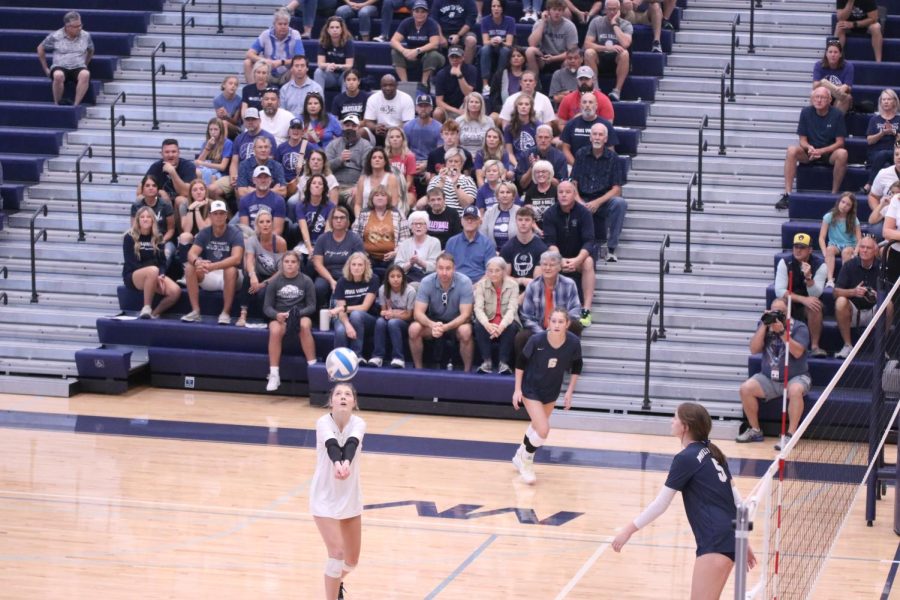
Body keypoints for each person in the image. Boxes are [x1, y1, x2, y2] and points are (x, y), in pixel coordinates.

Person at [613, 402, 757, 596]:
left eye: (675, 417)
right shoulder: (714, 452)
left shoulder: (686, 458)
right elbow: (738, 502)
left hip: (714, 540)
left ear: (686, 426)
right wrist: (741, 540)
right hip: (728, 538)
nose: (671, 421)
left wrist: (627, 531)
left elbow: (661, 504)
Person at [511, 307, 582, 484]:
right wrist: (517, 390)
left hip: (551, 390)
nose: (556, 325)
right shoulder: (537, 340)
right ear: (548, 322)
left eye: (560, 322)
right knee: (543, 429)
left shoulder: (573, 342)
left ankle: (520, 454)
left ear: (567, 324)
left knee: (536, 426)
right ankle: (526, 460)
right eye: (553, 321)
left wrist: (570, 391)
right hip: (531, 388)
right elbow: (520, 363)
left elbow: (577, 366)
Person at [309, 382, 365, 600]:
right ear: (331, 401)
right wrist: (337, 464)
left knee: (351, 561)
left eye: (348, 394)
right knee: (337, 554)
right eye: (338, 394)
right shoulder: (323, 422)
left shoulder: (359, 423)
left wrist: (347, 463)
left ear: (354, 402)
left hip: (349, 498)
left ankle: (334, 582)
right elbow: (332, 444)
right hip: (323, 498)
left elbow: (351, 443)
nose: (343, 397)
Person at [736, 298, 810, 448]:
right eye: (773, 311)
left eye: (780, 312)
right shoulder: (764, 325)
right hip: (768, 378)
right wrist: (764, 325)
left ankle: (790, 435)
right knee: (745, 388)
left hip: (795, 377)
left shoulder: (799, 327)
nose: (776, 315)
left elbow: (797, 352)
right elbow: (754, 349)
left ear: (788, 312)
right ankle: (755, 430)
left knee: (796, 391)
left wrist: (782, 332)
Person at [777, 87, 848, 210]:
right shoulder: (805, 112)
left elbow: (840, 143)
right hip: (809, 152)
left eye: (823, 97)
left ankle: (834, 194)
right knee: (791, 150)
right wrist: (809, 148)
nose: (819, 100)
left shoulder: (837, 114)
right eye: (816, 97)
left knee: (842, 153)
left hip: (828, 153)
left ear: (830, 100)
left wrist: (822, 151)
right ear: (812, 99)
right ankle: (788, 194)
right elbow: (802, 140)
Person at [571, 122, 627, 262]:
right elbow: (573, 183)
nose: (597, 137)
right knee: (565, 196)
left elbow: (617, 189)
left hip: (603, 201)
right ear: (590, 137)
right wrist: (580, 202)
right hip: (581, 199)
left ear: (606, 139)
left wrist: (597, 202)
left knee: (620, 203)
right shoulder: (581, 154)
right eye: (594, 134)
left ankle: (611, 249)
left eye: (600, 135)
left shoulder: (613, 158)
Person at [181, 201, 245, 325]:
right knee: (190, 267)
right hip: (211, 273)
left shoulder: (236, 233)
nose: (219, 216)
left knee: (230, 269)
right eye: (215, 214)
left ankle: (225, 312)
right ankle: (195, 311)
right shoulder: (205, 232)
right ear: (210, 216)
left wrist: (214, 266)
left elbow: (236, 258)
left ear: (226, 215)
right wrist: (197, 262)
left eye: (222, 213)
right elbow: (191, 253)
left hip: (233, 276)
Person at [543, 181, 597, 326]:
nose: (564, 195)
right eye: (561, 192)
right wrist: (560, 259)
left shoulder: (584, 213)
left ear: (574, 194)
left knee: (588, 262)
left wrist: (578, 260)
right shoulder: (549, 214)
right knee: (543, 264)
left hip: (579, 257)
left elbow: (589, 241)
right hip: (558, 257)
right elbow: (550, 242)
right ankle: (545, 310)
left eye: (568, 192)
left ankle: (586, 309)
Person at [409, 252, 475, 370]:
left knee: (465, 331)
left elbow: (466, 315)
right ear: (436, 268)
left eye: (448, 268)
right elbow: (417, 313)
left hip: (457, 322)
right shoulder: (426, 282)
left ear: (454, 268)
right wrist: (432, 325)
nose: (444, 272)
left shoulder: (465, 282)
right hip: (434, 321)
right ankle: (418, 370)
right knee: (414, 329)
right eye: (441, 268)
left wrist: (445, 327)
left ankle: (467, 372)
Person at [263, 250, 317, 391]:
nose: (290, 265)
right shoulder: (274, 282)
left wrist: (297, 313)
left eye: (293, 262)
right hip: (280, 316)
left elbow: (312, 306)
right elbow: (267, 307)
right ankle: (274, 374)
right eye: (287, 262)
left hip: (300, 315)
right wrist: (277, 315)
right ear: (282, 264)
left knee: (305, 325)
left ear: (298, 264)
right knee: (274, 330)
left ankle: (313, 368)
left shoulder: (306, 281)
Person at [516, 250, 583, 357]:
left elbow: (575, 310)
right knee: (521, 337)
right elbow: (526, 317)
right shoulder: (532, 286)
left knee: (575, 325)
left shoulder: (569, 284)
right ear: (540, 266)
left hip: (562, 327)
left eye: (552, 265)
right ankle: (525, 368)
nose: (547, 268)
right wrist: (542, 333)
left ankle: (569, 363)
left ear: (559, 267)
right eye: (544, 264)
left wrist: (558, 325)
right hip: (539, 328)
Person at [123, 206, 181, 319]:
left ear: (153, 220)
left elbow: (163, 262)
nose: (145, 219)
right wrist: (153, 272)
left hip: (153, 274)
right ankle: (146, 307)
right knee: (153, 270)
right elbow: (131, 263)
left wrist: (161, 274)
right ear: (138, 220)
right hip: (133, 276)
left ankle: (154, 314)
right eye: (142, 217)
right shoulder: (129, 237)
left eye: (148, 217)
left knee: (176, 291)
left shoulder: (158, 237)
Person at [775, 233, 827, 357]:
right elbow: (779, 291)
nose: (798, 250)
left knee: (815, 304)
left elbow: (817, 293)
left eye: (802, 247)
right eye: (796, 247)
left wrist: (809, 278)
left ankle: (814, 346)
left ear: (810, 250)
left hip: (808, 304)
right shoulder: (785, 262)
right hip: (791, 302)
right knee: (778, 303)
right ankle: (777, 342)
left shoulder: (820, 265)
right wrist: (803, 299)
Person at [833, 234, 884, 359]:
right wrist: (853, 292)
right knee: (840, 302)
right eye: (862, 247)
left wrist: (880, 296)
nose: (864, 250)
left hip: (875, 312)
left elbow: (892, 293)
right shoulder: (849, 265)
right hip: (853, 312)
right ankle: (847, 345)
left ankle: (881, 347)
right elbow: (836, 292)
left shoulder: (883, 267)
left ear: (875, 251)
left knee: (888, 304)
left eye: (868, 248)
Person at [239, 207, 287, 327]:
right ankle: (243, 314)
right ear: (257, 225)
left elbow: (283, 270)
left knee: (262, 293)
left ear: (272, 223)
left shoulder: (280, 242)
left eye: (268, 221)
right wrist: (252, 276)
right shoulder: (252, 240)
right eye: (261, 222)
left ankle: (268, 318)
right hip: (260, 274)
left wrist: (264, 284)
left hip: (276, 277)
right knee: (247, 277)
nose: (265, 225)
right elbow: (249, 261)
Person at [217, 108, 277, 200]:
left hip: (260, 176)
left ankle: (244, 211)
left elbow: (270, 163)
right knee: (213, 189)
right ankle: (230, 213)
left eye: (253, 119)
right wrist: (234, 176)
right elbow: (234, 162)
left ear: (260, 120)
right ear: (244, 122)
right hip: (240, 175)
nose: (250, 122)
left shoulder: (268, 138)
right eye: (247, 119)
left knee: (240, 188)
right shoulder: (239, 139)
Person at [351, 184, 411, 277]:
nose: (380, 198)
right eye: (377, 195)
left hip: (392, 258)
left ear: (388, 198)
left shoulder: (398, 214)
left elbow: (405, 238)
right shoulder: (363, 213)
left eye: (383, 195)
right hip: (368, 257)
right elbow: (355, 236)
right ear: (372, 198)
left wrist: (396, 252)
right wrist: (362, 253)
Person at [473, 256, 520, 374]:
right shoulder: (481, 285)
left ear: (504, 271)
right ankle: (486, 362)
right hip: (489, 320)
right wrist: (487, 324)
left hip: (506, 321)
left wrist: (501, 326)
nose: (493, 274)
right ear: (486, 272)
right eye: (490, 271)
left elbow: (512, 309)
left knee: (512, 326)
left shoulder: (513, 285)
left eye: (497, 270)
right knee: (479, 324)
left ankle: (503, 363)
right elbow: (478, 309)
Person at [312, 206, 365, 309]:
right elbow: (317, 264)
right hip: (327, 275)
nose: (339, 220)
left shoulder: (355, 239)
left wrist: (342, 281)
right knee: (319, 287)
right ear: (331, 220)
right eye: (335, 218)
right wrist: (331, 280)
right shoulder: (322, 239)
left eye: (342, 217)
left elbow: (359, 261)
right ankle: (321, 314)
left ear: (347, 220)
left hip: (349, 275)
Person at [37, 11, 93, 106]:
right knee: (58, 75)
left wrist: (85, 64)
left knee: (85, 74)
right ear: (67, 26)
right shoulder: (56, 36)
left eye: (80, 25)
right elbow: (40, 48)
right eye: (76, 26)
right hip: (60, 66)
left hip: (78, 66)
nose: (79, 28)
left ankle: (75, 105)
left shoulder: (86, 36)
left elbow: (91, 50)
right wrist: (45, 68)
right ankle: (57, 103)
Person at [331, 252, 380, 361]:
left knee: (356, 314)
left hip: (367, 319)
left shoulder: (373, 279)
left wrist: (342, 309)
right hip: (345, 317)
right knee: (340, 331)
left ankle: (356, 356)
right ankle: (339, 362)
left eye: (360, 265)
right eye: (353, 264)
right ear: (349, 266)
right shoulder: (342, 282)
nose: (356, 268)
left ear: (366, 266)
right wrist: (347, 325)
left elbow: (365, 307)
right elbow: (341, 310)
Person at [584, 0, 633, 103]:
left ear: (619, 10)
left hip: (616, 60)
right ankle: (595, 90)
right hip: (600, 58)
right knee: (589, 52)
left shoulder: (626, 24)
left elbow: (625, 44)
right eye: (609, 9)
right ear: (605, 10)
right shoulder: (596, 22)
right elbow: (587, 44)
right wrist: (606, 48)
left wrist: (615, 24)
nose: (612, 12)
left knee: (625, 53)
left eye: (615, 9)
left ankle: (617, 91)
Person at [390, 2, 445, 88]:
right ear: (412, 12)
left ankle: (424, 83)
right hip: (410, 55)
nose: (420, 14)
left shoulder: (432, 24)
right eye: (417, 11)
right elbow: (393, 41)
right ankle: (405, 83)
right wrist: (404, 51)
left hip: (428, 55)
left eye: (423, 12)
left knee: (433, 55)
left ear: (427, 13)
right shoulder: (406, 22)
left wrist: (417, 51)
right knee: (395, 52)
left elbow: (434, 44)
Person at [370, 264, 416, 368]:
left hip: (405, 322)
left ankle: (398, 358)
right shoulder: (383, 289)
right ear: (387, 278)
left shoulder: (410, 291)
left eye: (398, 276)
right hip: (391, 318)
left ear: (403, 277)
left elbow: (409, 316)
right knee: (380, 321)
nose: (396, 279)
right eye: (392, 276)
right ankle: (377, 356)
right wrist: (385, 313)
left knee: (393, 322)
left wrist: (394, 314)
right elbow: (384, 311)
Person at [243, 8, 304, 84]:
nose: (283, 27)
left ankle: (292, 93)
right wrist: (264, 61)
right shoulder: (265, 34)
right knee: (247, 62)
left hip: (287, 73)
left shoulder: (295, 34)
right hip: (268, 73)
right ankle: (253, 92)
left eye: (285, 24)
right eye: (280, 24)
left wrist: (282, 62)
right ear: (274, 24)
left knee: (298, 67)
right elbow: (249, 54)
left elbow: (301, 58)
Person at [325, 115, 374, 206]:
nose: (350, 128)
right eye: (347, 125)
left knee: (359, 199)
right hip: (334, 186)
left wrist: (358, 187)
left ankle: (359, 219)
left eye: (353, 126)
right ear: (343, 127)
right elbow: (325, 167)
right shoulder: (333, 144)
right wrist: (340, 160)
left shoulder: (365, 145)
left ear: (358, 128)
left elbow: (366, 169)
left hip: (353, 187)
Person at [560, 91, 619, 165]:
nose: (587, 105)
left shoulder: (606, 125)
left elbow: (610, 151)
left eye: (590, 102)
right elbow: (565, 149)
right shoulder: (570, 124)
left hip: (600, 166)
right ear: (580, 106)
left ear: (596, 105)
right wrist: (576, 166)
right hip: (574, 166)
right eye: (584, 102)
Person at [132, 175, 176, 270]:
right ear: (143, 189)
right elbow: (134, 228)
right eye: (147, 185)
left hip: (163, 239)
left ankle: (158, 276)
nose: (151, 188)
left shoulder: (165, 205)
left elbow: (171, 229)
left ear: (157, 189)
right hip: (143, 239)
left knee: (166, 253)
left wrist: (161, 241)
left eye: (154, 185)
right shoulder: (136, 206)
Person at [818, 192, 861, 288]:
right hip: (834, 244)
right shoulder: (829, 216)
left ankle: (844, 280)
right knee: (829, 250)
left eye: (848, 204)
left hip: (849, 245)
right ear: (838, 202)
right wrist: (824, 252)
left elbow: (859, 239)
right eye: (843, 202)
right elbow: (821, 237)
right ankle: (829, 280)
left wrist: (856, 252)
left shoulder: (854, 219)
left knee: (846, 252)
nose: (844, 206)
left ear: (851, 208)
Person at [525, 0, 578, 76]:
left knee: (569, 60)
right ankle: (535, 82)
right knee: (529, 51)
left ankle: (563, 86)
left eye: (559, 10)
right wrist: (543, 22)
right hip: (543, 58)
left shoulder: (570, 26)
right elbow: (532, 43)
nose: (557, 13)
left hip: (561, 58)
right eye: (554, 9)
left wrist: (554, 58)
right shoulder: (540, 23)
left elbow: (572, 51)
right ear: (548, 11)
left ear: (563, 12)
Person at [142, 139, 195, 215]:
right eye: (167, 152)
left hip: (181, 205)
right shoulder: (156, 166)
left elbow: (186, 193)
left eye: (173, 152)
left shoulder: (188, 166)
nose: (170, 155)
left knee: (180, 200)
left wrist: (173, 172)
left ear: (179, 153)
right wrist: (159, 192)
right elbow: (140, 190)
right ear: (162, 154)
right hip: (163, 203)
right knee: (141, 198)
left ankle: (179, 227)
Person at [500, 205, 547, 291]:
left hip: (534, 292)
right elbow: (504, 278)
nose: (523, 223)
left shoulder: (541, 248)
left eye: (527, 220)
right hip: (511, 291)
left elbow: (538, 281)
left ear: (533, 223)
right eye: (520, 220)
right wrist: (522, 280)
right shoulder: (507, 247)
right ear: (516, 221)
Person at [863, 89, 900, 195]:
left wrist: (894, 132)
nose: (886, 101)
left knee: (892, 154)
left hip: (895, 150)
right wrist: (882, 133)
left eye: (889, 99)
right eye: (883, 99)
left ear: (894, 102)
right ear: (880, 102)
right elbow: (869, 141)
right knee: (882, 154)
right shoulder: (874, 120)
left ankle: (869, 184)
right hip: (876, 151)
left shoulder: (899, 119)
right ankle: (871, 184)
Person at [446, 205, 496, 281]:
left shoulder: (487, 243)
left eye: (473, 218)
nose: (469, 221)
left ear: (480, 221)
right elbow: (446, 268)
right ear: (461, 221)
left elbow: (491, 272)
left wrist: (476, 287)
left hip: (480, 285)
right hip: (455, 284)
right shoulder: (452, 242)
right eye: (466, 218)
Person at [364, 75, 415, 145]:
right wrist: (375, 127)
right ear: (381, 86)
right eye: (384, 85)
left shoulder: (406, 98)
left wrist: (392, 130)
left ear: (396, 86)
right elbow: (368, 121)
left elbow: (408, 123)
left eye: (391, 85)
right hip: (379, 133)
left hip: (399, 133)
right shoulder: (373, 98)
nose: (388, 88)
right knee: (362, 132)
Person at [478, 0, 516, 96]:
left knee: (505, 51)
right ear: (490, 8)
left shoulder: (510, 21)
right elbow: (485, 42)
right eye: (493, 6)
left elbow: (509, 43)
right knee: (485, 49)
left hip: (503, 47)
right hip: (491, 47)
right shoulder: (485, 20)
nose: (496, 9)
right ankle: (485, 85)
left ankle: (498, 82)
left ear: (502, 8)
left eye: (498, 6)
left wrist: (501, 42)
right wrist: (491, 41)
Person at [425, 148, 477, 216]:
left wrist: (456, 184)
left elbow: (466, 204)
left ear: (462, 164)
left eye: (456, 161)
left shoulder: (468, 180)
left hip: (458, 218)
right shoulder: (436, 179)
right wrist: (441, 182)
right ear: (446, 163)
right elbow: (429, 201)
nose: (453, 164)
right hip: (438, 216)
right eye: (450, 161)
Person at [433, 45, 478, 122]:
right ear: (448, 58)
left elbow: (468, 93)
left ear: (463, 57)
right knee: (437, 112)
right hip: (448, 109)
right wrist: (456, 111)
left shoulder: (471, 70)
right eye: (452, 57)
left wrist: (459, 75)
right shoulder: (442, 74)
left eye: (457, 57)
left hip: (466, 107)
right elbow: (439, 101)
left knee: (468, 99)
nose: (454, 59)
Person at [515, 124, 568, 189]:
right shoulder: (526, 155)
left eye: (546, 137)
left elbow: (562, 185)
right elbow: (522, 185)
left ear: (551, 139)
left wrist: (544, 172)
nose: (543, 140)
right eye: (540, 137)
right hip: (530, 193)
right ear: (536, 138)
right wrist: (532, 168)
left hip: (553, 194)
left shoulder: (560, 157)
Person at [395, 210, 441, 283]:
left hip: (428, 278)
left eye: (421, 224)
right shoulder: (404, 243)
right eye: (415, 224)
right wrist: (410, 263)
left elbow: (435, 266)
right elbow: (397, 266)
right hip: (408, 278)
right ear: (410, 226)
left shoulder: (434, 242)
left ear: (427, 226)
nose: (418, 226)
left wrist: (420, 262)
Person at [353, 148, 402, 217]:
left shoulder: (391, 178)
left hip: (386, 217)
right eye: (374, 158)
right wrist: (358, 218)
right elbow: (357, 204)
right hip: (365, 217)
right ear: (370, 161)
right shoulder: (362, 179)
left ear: (385, 162)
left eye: (380, 158)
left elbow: (394, 203)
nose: (377, 159)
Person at [296, 174, 337, 257]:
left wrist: (319, 249)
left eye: (320, 184)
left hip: (323, 241)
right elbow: (303, 228)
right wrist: (309, 248)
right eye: (314, 183)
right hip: (306, 241)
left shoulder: (330, 206)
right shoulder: (301, 205)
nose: (317, 185)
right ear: (309, 187)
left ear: (324, 188)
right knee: (298, 256)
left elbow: (327, 230)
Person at [405, 95, 443, 180]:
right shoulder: (408, 126)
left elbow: (440, 152)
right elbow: (404, 149)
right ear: (416, 108)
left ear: (431, 108)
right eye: (420, 106)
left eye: (426, 106)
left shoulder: (439, 128)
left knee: (430, 177)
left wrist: (426, 165)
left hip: (431, 163)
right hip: (411, 161)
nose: (423, 109)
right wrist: (412, 163)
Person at [812, 39, 854, 114]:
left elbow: (849, 88)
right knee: (815, 92)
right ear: (826, 54)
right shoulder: (819, 65)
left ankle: (832, 123)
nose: (833, 55)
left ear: (840, 54)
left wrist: (845, 87)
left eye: (835, 52)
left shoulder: (848, 66)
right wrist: (833, 86)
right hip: (824, 94)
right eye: (830, 52)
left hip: (840, 96)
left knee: (847, 97)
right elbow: (815, 86)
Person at [504, 94, 541, 174]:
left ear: (531, 107)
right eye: (520, 104)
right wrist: (517, 165)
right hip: (516, 161)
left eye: (526, 104)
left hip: (535, 160)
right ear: (516, 107)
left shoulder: (538, 126)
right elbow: (509, 153)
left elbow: (541, 149)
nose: (523, 106)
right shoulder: (509, 128)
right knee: (509, 173)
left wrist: (534, 163)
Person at [487, 46, 528, 119]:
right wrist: (505, 109)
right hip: (503, 110)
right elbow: (494, 97)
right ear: (509, 59)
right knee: (493, 117)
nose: (516, 58)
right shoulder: (500, 75)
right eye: (513, 56)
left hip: (524, 111)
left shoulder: (529, 76)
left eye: (519, 56)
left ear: (524, 59)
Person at [315, 17, 355, 90]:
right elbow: (320, 63)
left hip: (342, 76)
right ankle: (318, 99)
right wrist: (328, 65)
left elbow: (349, 65)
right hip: (330, 76)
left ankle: (344, 101)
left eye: (337, 27)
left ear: (341, 29)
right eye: (332, 27)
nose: (334, 30)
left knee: (348, 73)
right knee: (318, 71)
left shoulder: (348, 43)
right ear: (328, 30)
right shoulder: (323, 42)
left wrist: (337, 66)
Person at [480, 181, 521, 251]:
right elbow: (483, 234)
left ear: (513, 196)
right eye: (502, 192)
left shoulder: (520, 211)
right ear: (497, 196)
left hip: (515, 251)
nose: (505, 195)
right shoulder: (489, 212)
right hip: (493, 252)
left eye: (508, 192)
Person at [385, 126, 418, 212]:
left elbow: (409, 182)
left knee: (400, 206)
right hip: (387, 191)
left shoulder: (410, 156)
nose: (395, 139)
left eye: (398, 137)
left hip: (406, 191)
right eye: (392, 137)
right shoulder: (384, 157)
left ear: (403, 139)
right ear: (388, 140)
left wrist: (398, 194)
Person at [196, 118, 234, 188]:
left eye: (216, 129)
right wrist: (207, 148)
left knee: (212, 177)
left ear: (221, 130)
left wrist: (204, 164)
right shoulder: (206, 143)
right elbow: (198, 163)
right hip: (208, 170)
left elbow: (222, 167)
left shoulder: (227, 143)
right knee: (198, 172)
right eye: (211, 129)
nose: (213, 132)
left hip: (222, 173)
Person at [520, 160, 557, 229]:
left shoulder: (556, 191)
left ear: (549, 174)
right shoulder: (530, 192)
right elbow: (527, 216)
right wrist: (537, 230)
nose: (540, 174)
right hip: (535, 229)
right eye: (537, 172)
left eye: (543, 172)